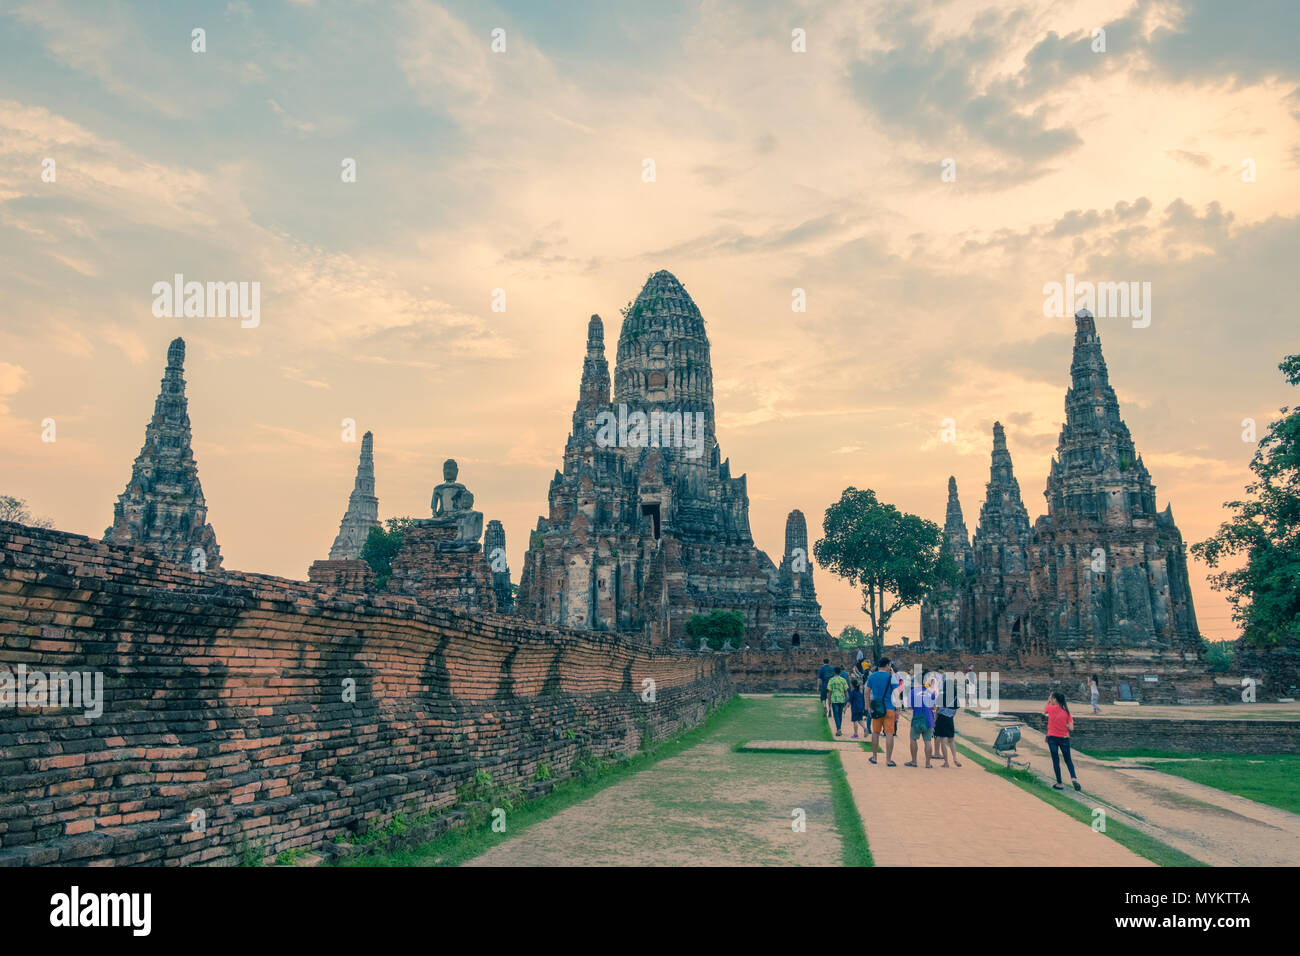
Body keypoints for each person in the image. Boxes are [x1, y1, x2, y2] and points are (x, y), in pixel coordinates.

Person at [1045, 691, 1081, 791]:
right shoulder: (1067, 712)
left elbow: (1045, 711)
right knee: (1068, 759)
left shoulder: (1050, 708)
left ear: (1055, 700)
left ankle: (1059, 783)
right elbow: (1071, 728)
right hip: (1064, 738)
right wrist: (1064, 725)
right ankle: (1073, 778)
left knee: (1056, 760)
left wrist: (1049, 701)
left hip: (1052, 738)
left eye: (1052, 698)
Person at [866, 658, 898, 766]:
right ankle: (888, 760)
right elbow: (897, 693)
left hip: (877, 708)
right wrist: (897, 709)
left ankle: (874, 757)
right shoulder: (891, 677)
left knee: (875, 732)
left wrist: (868, 707)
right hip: (889, 708)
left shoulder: (872, 676)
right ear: (888, 665)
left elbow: (866, 692)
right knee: (889, 733)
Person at [906, 674, 934, 768]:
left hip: (917, 718)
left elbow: (910, 707)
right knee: (928, 741)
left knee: (913, 739)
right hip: (929, 719)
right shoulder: (931, 692)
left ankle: (914, 761)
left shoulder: (913, 691)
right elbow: (934, 707)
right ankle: (928, 763)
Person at [933, 675, 961, 767]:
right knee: (952, 740)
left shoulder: (941, 696)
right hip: (950, 719)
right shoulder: (955, 697)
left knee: (942, 741)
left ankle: (946, 762)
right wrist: (951, 716)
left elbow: (937, 710)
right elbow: (955, 710)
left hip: (941, 719)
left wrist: (935, 720)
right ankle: (955, 758)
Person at [827, 667, 850, 736]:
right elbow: (846, 691)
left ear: (834, 672)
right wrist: (848, 700)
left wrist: (829, 700)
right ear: (840, 672)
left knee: (836, 714)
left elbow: (830, 691)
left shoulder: (831, 680)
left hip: (834, 699)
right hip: (842, 699)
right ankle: (839, 729)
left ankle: (838, 729)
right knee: (839, 715)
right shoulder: (843, 680)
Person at [848, 675, 867, 739]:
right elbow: (863, 700)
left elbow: (849, 701)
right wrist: (864, 707)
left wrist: (845, 708)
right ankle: (865, 728)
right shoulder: (860, 692)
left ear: (852, 685)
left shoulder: (853, 692)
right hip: (860, 708)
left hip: (855, 708)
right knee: (860, 719)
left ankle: (856, 734)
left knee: (855, 721)